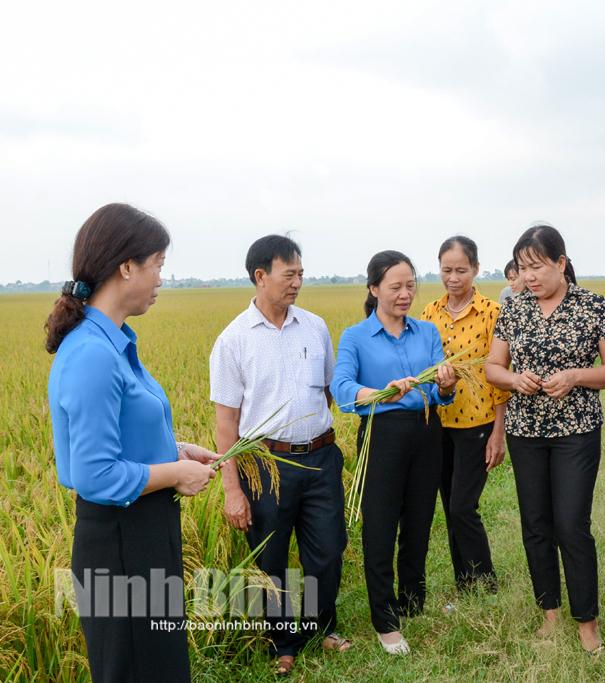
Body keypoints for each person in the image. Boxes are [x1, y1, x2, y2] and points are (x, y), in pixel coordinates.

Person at [45, 203, 218, 683]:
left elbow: (121, 438)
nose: (161, 278)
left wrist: (175, 451)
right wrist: (177, 473)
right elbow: (95, 475)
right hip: (122, 543)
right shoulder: (93, 353)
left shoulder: (113, 343)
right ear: (126, 267)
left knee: (158, 665)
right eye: (157, 264)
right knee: (139, 668)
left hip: (142, 532)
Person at [210, 235, 350, 676]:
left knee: (328, 549)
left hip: (320, 458)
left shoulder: (315, 327)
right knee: (269, 558)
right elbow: (226, 423)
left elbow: (329, 390)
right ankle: (281, 644)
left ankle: (321, 627)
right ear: (260, 276)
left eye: (301, 274)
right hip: (265, 467)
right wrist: (232, 489)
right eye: (289, 275)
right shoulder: (234, 340)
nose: (297, 283)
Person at [485, 225, 605, 654]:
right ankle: (549, 612)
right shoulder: (514, 309)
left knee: (572, 524)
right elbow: (493, 367)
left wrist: (576, 376)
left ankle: (587, 622)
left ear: (561, 263)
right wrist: (514, 380)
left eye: (537, 266)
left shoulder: (594, 306)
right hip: (525, 432)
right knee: (536, 523)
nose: (529, 276)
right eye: (523, 268)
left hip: (576, 431)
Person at [331, 251, 458, 655]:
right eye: (395, 287)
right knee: (381, 527)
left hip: (427, 431)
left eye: (410, 286)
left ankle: (413, 601)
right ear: (374, 289)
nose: (405, 294)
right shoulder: (355, 337)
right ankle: (385, 621)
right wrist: (381, 393)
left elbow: (440, 392)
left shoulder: (427, 332)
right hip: (381, 435)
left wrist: (447, 385)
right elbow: (342, 389)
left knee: (419, 522)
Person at [420, 236, 509, 594]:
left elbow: (500, 375)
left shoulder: (491, 312)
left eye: (461, 270)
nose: (453, 278)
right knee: (449, 505)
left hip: (478, 423)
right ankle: (464, 583)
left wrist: (499, 432)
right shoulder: (429, 313)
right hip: (439, 423)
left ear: (475, 269)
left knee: (462, 506)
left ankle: (486, 581)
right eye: (447, 270)